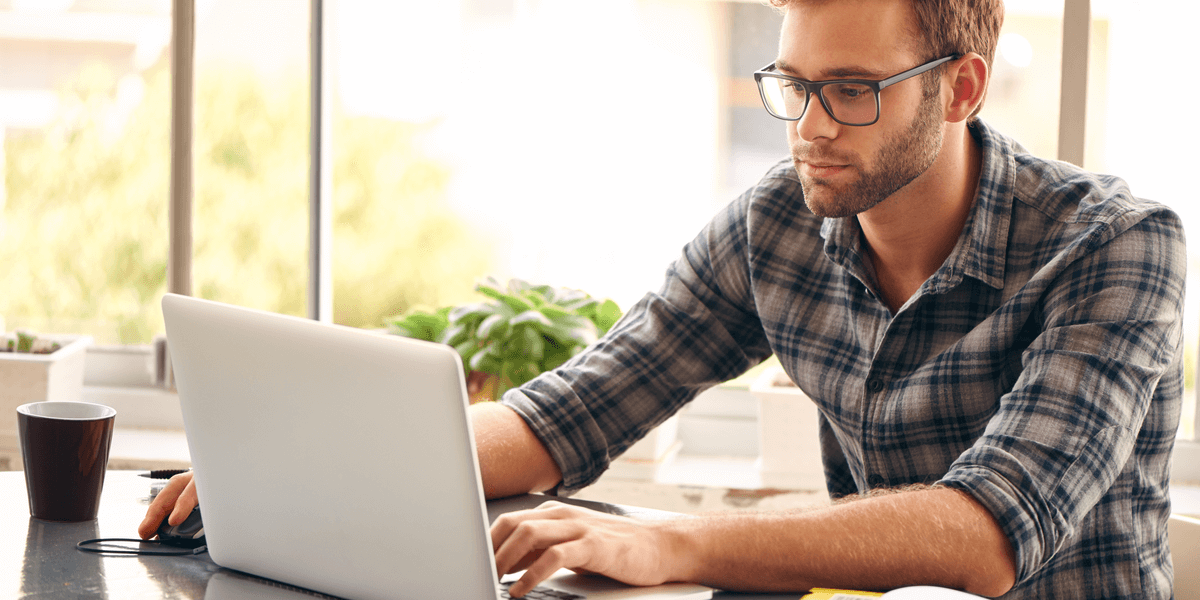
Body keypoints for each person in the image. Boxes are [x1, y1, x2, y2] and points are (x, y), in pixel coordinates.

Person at [141, 0, 1185, 597]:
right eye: (792, 84)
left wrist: (669, 540)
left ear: (959, 88)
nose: (809, 127)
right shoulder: (775, 225)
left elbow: (989, 536)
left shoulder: (1116, 247)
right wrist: (298, 466)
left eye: (853, 91)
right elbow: (571, 411)